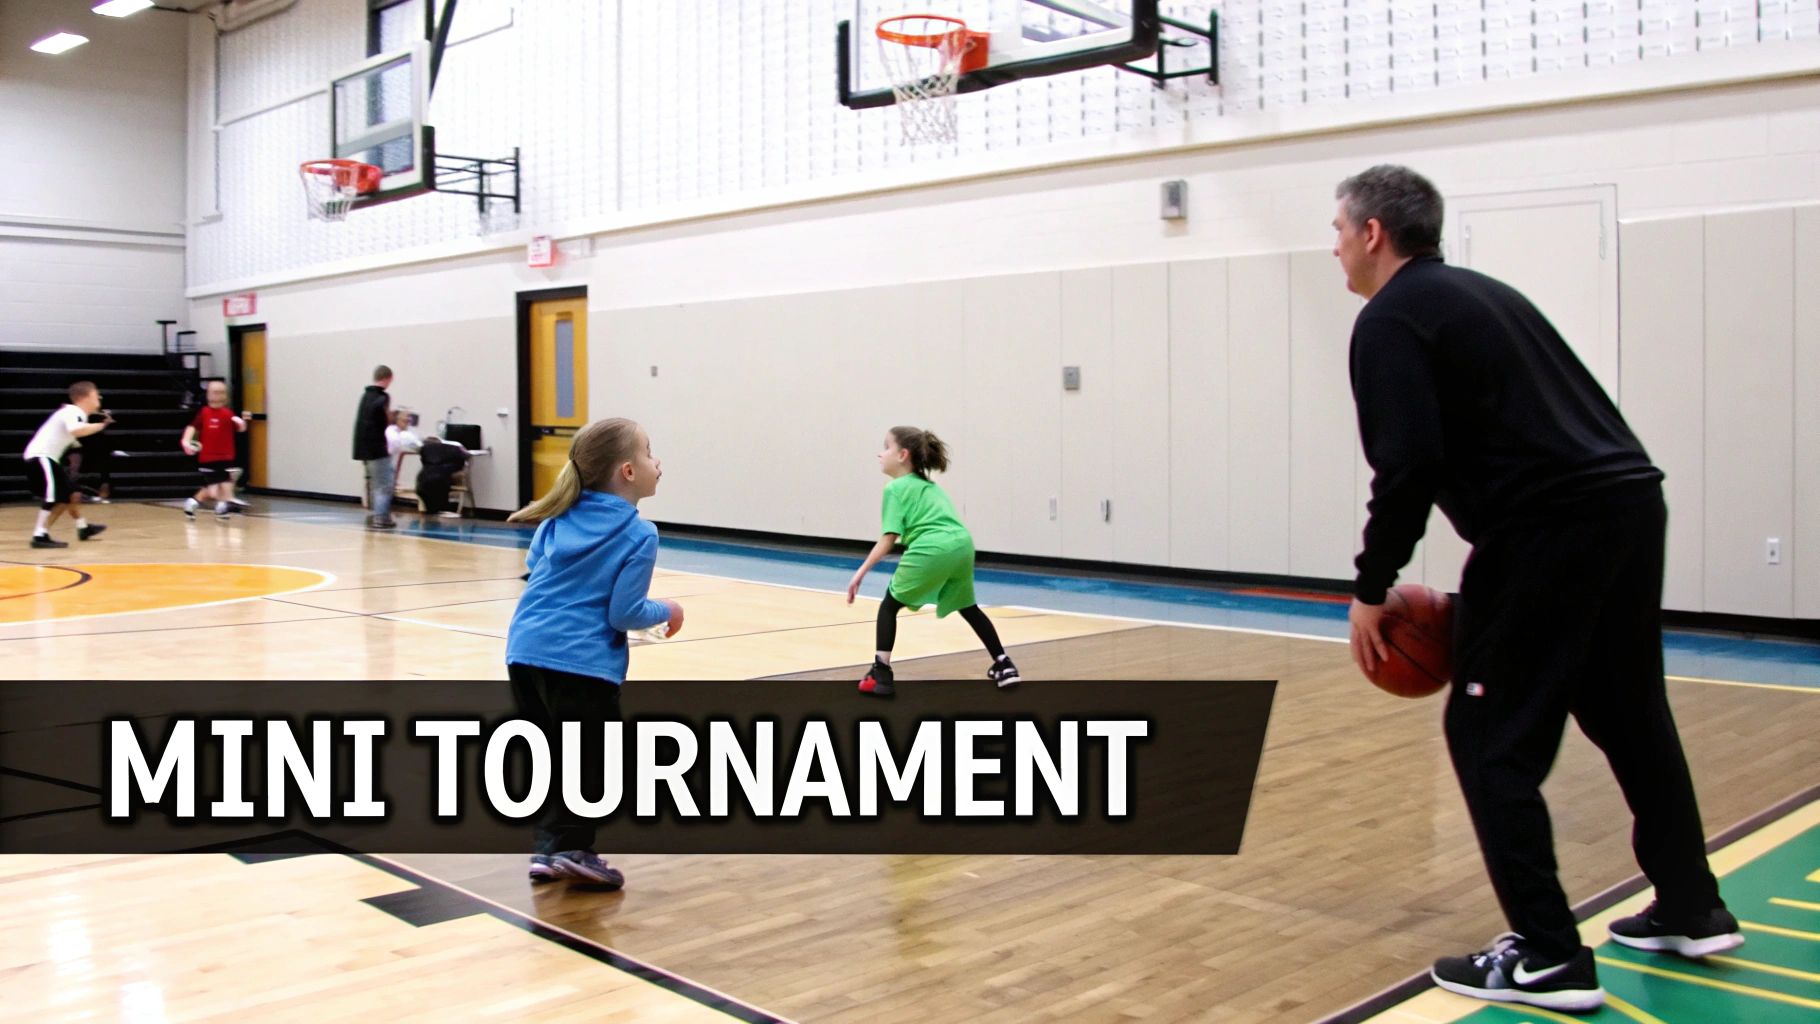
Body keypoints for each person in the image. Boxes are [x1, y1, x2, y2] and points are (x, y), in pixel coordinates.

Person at [1334, 164, 1738, 1015]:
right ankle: (1691, 906)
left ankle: (1551, 957)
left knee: (1488, 737)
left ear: (1373, 233)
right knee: (1631, 715)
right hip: (1628, 503)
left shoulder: (1391, 319)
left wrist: (1373, 583)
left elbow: (1408, 462)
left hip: (1548, 526)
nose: (1333, 246)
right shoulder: (1484, 295)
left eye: (1338, 230)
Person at [504, 417, 677, 888]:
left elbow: (535, 569)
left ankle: (547, 851)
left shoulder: (559, 518)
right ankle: (576, 849)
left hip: (523, 652)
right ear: (627, 471)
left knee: (553, 756)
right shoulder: (639, 533)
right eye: (648, 453)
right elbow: (625, 612)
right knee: (593, 762)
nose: (656, 462)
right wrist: (669, 609)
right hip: (582, 665)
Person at [845, 426, 1019, 697]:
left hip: (932, 545)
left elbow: (888, 538)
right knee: (968, 607)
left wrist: (860, 572)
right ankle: (1004, 664)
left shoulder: (894, 488)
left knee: (890, 605)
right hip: (962, 544)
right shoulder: (930, 486)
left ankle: (881, 672)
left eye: (886, 448)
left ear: (902, 455)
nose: (880, 454)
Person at [22, 382, 110, 549]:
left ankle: (81, 527)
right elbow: (76, 430)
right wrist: (101, 425)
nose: (99, 397)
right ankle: (39, 536)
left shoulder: (73, 413)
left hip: (48, 458)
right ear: (85, 397)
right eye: (96, 394)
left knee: (69, 495)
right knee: (52, 497)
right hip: (41, 457)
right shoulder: (72, 411)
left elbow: (70, 435)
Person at [181, 381, 252, 520]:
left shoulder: (228, 414)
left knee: (224, 483)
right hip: (208, 458)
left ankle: (221, 507)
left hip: (226, 457)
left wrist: (242, 423)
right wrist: (186, 441)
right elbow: (192, 427)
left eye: (222, 392)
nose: (218, 396)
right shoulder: (204, 413)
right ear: (208, 395)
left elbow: (241, 429)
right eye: (215, 392)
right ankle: (195, 502)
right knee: (214, 489)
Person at [351, 365, 395, 530]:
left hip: (363, 449)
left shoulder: (365, 396)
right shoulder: (382, 397)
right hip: (376, 448)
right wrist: (392, 418)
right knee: (384, 484)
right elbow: (382, 421)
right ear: (388, 378)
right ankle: (381, 517)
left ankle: (376, 513)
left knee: (375, 482)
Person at [414, 435, 470, 517]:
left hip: (423, 481)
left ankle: (434, 513)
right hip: (441, 480)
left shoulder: (425, 450)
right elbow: (465, 456)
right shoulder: (454, 448)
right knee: (438, 502)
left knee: (431, 508)